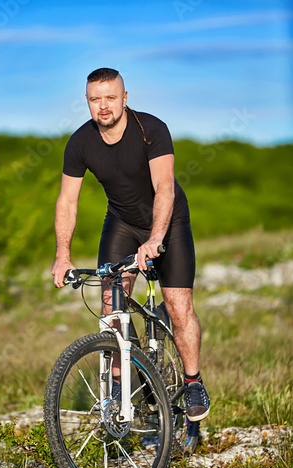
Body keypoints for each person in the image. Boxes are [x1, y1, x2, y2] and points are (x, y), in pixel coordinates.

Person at [52, 67, 210, 423]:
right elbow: (67, 201)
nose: (103, 106)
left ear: (125, 98)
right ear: (88, 102)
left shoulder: (151, 130)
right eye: (95, 99)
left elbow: (165, 188)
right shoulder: (80, 143)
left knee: (178, 304)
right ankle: (129, 389)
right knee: (111, 308)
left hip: (168, 222)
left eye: (110, 97)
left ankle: (193, 380)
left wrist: (156, 239)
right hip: (122, 222)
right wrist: (63, 255)